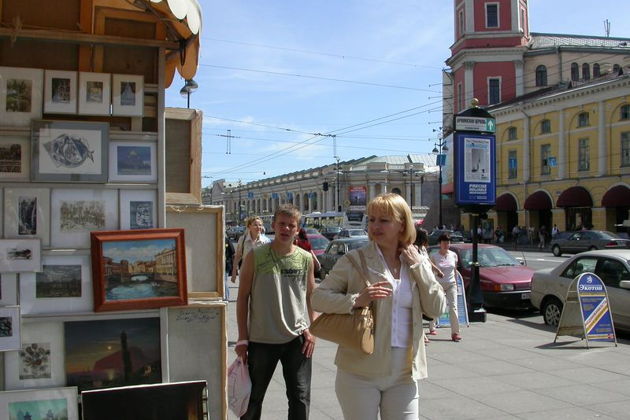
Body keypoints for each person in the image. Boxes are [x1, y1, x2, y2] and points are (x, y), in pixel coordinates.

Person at [311, 193, 446, 420]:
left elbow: (436, 309)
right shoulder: (355, 260)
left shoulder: (416, 261)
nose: (375, 226)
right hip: (359, 373)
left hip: (404, 374)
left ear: (402, 223)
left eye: (384, 220)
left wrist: (420, 268)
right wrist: (355, 300)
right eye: (371, 219)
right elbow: (318, 298)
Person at [235, 205, 316, 420]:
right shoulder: (256, 255)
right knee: (253, 399)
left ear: (298, 230)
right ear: (273, 226)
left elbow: (310, 296)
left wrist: (313, 329)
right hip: (262, 340)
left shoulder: (305, 258)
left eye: (292, 225)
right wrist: (242, 338)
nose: (286, 229)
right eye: (282, 224)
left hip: (296, 340)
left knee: (300, 397)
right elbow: (242, 297)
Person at [414, 227, 444, 344]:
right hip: (420, 280)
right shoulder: (415, 249)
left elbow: (428, 262)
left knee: (425, 308)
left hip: (428, 279)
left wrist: (437, 270)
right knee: (419, 309)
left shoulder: (423, 249)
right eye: (426, 236)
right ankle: (422, 335)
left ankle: (429, 330)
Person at [430, 233, 461, 342]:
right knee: (436, 306)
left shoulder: (453, 255)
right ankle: (432, 326)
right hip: (439, 284)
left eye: (448, 242)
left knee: (453, 307)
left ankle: (455, 333)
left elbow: (455, 270)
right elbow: (431, 271)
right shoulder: (434, 256)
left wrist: (456, 284)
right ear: (440, 244)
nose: (446, 245)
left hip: (451, 284)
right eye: (444, 243)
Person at [231, 216, 270, 284]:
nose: (258, 227)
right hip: (245, 273)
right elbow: (237, 256)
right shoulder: (242, 239)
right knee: (245, 294)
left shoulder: (266, 241)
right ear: (249, 226)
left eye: (260, 225)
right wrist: (234, 272)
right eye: (255, 225)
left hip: (260, 274)